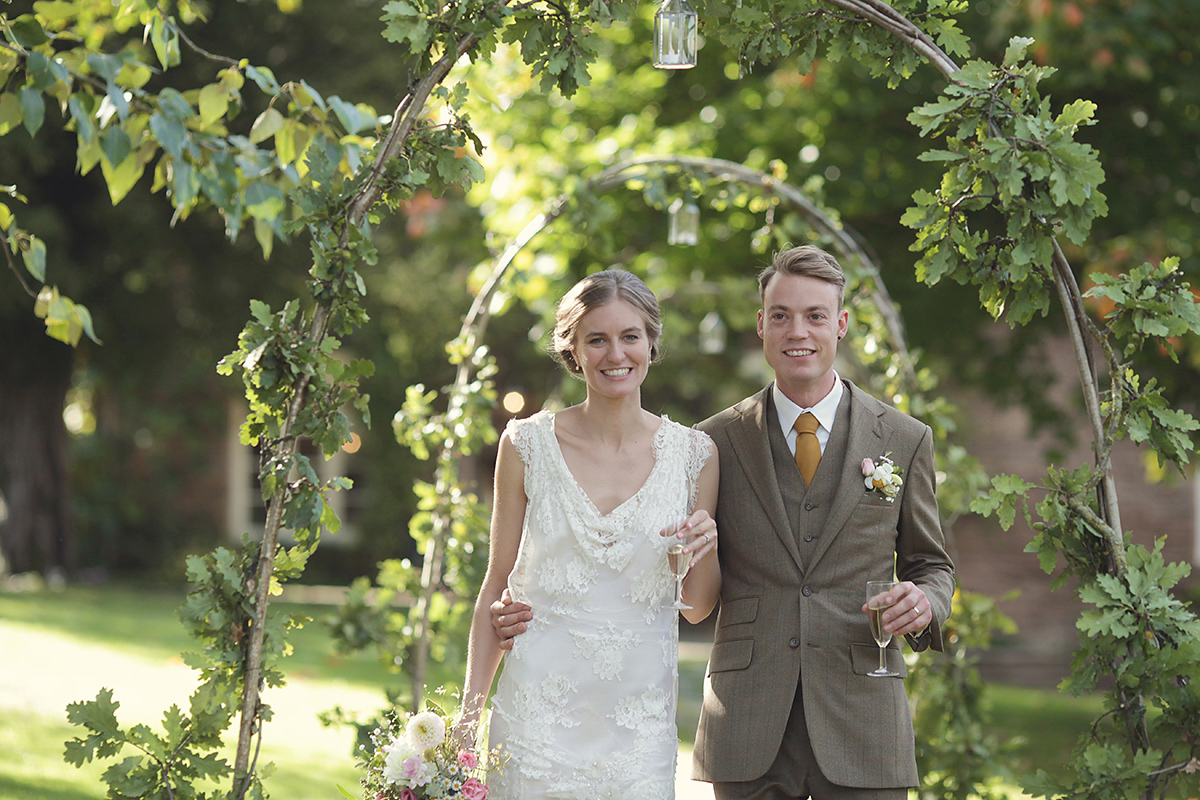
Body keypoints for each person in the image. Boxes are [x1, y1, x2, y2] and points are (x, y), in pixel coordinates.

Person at [492, 246, 956, 800]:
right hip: (746, 723)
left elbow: (932, 564)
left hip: (863, 720)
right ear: (761, 325)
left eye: (815, 316)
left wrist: (927, 602)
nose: (797, 331)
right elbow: (683, 573)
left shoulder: (904, 439)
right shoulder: (712, 443)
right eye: (780, 315)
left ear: (842, 324)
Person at [459, 269, 722, 800]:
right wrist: (467, 720)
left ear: (651, 342)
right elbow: (496, 582)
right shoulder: (526, 444)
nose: (615, 354)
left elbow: (696, 608)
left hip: (637, 733)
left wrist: (704, 547)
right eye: (596, 339)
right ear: (572, 350)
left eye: (629, 336)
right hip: (535, 718)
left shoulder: (695, 456)